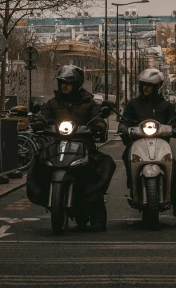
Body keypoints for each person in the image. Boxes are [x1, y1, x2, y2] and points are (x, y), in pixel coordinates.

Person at [29, 65, 115, 232]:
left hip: (82, 145)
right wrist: (38, 122)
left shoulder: (89, 103)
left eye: (68, 83)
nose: (64, 86)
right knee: (39, 161)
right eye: (62, 83)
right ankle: (42, 192)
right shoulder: (53, 103)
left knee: (95, 170)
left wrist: (99, 125)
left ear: (77, 85)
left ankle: (97, 215)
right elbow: (43, 115)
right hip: (57, 144)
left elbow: (98, 118)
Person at [119, 69, 176, 227]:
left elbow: (174, 123)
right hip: (137, 143)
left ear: (157, 87)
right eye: (143, 85)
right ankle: (132, 181)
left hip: (160, 144)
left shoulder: (166, 106)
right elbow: (125, 120)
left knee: (174, 172)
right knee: (126, 155)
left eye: (149, 85)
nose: (145, 88)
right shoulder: (133, 104)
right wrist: (123, 127)